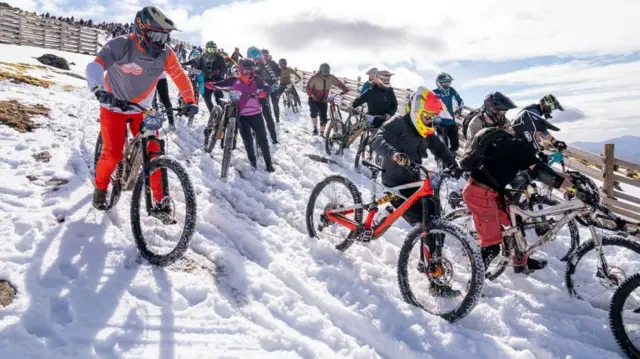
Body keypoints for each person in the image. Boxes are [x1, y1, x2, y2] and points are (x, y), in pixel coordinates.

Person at [86, 6, 198, 210]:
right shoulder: (121, 45)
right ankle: (100, 188)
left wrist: (190, 100)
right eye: (156, 35)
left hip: (143, 110)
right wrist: (99, 90)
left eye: (165, 37)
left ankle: (160, 202)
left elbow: (179, 76)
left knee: (154, 152)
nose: (160, 42)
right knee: (112, 154)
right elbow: (95, 66)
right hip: (114, 107)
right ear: (140, 29)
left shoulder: (166, 53)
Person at [370, 87, 463, 297]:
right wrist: (394, 155)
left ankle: (429, 264)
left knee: (434, 219)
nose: (430, 121)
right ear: (415, 111)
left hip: (414, 181)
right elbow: (377, 140)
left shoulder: (426, 129)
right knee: (424, 223)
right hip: (394, 182)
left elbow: (439, 148)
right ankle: (434, 277)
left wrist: (453, 164)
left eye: (432, 118)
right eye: (427, 116)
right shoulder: (398, 124)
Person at [461, 121, 573, 275]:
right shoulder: (517, 147)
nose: (542, 142)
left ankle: (521, 261)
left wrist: (562, 178)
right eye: (539, 136)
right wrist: (565, 184)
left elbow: (534, 167)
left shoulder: (507, 143)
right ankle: (473, 283)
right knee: (491, 247)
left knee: (516, 221)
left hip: (490, 193)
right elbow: (539, 170)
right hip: (480, 196)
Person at [211, 59, 275, 172]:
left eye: (251, 71)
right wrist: (211, 85)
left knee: (263, 139)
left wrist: (263, 93)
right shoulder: (234, 80)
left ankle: (269, 164)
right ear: (240, 71)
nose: (249, 74)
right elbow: (221, 84)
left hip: (256, 115)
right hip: (241, 116)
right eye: (246, 72)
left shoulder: (257, 79)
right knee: (247, 140)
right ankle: (253, 162)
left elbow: (268, 88)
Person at [181, 41, 226, 113]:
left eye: (213, 49)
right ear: (206, 49)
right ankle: (213, 114)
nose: (211, 52)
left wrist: (219, 72)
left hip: (217, 82)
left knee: (219, 99)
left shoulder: (219, 58)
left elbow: (224, 68)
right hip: (207, 82)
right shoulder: (203, 57)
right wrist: (190, 67)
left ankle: (222, 117)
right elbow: (198, 65)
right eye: (210, 49)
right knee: (206, 98)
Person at [305, 63, 349, 135]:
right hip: (313, 99)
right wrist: (312, 95)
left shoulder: (331, 77)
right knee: (314, 113)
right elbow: (308, 88)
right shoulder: (315, 78)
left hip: (323, 100)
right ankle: (315, 128)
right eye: (324, 72)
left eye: (327, 72)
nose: (325, 73)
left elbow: (338, 83)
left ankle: (322, 133)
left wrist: (344, 88)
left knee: (323, 117)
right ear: (320, 70)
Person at [247, 46, 279, 144]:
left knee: (268, 115)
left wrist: (271, 87)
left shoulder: (263, 64)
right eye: (255, 59)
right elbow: (236, 72)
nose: (258, 60)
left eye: (259, 58)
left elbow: (273, 76)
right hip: (248, 93)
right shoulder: (244, 63)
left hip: (261, 92)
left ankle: (274, 138)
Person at [433, 72, 464, 153]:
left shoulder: (451, 90)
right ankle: (441, 161)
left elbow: (460, 101)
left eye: (448, 83)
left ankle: (450, 157)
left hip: (451, 122)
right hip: (440, 124)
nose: (447, 85)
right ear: (439, 83)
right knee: (443, 147)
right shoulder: (433, 93)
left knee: (455, 147)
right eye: (445, 83)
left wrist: (459, 110)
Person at [261, 49, 282, 122]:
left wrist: (275, 74)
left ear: (268, 56)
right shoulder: (259, 64)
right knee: (266, 104)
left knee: (275, 103)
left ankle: (277, 119)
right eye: (263, 56)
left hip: (274, 85)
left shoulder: (273, 63)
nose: (264, 57)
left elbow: (279, 72)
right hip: (264, 86)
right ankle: (270, 119)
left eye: (266, 56)